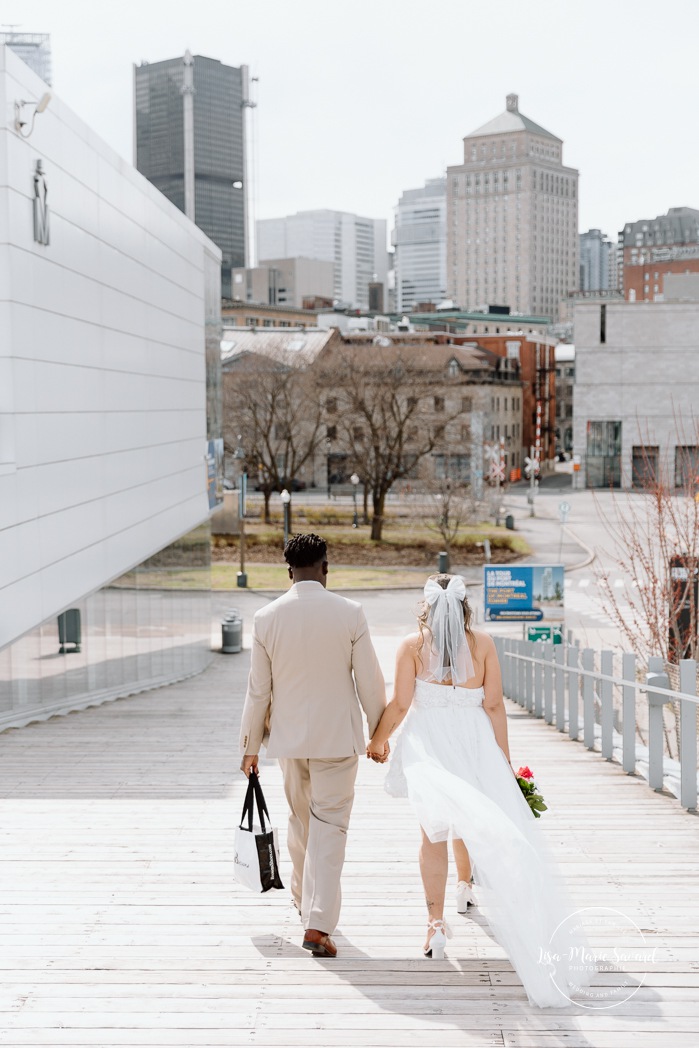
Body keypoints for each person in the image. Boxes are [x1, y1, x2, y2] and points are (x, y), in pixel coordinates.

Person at [367, 573, 595, 1008]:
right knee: (473, 816)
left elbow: (399, 704)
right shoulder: (484, 645)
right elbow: (493, 704)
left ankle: (435, 924)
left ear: (428, 607)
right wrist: (504, 762)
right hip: (473, 741)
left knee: (432, 830)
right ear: (464, 606)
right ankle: (467, 885)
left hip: (430, 742)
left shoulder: (411, 647)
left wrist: (379, 740)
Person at [239, 533, 388, 959]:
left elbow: (257, 691)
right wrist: (378, 737)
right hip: (337, 740)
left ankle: (305, 903)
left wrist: (250, 746)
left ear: (289, 572)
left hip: (288, 741)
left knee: (301, 821)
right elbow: (370, 682)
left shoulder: (266, 618)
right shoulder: (350, 613)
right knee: (331, 828)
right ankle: (318, 924)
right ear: (326, 568)